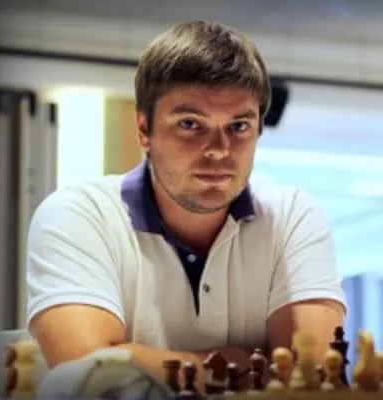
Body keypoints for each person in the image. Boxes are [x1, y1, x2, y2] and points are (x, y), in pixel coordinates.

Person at [26, 20, 346, 389]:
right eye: (191, 124)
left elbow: (312, 375)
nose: (219, 150)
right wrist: (238, 366)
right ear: (144, 130)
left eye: (239, 126)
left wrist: (142, 361)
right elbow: (87, 368)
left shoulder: (292, 216)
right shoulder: (78, 215)